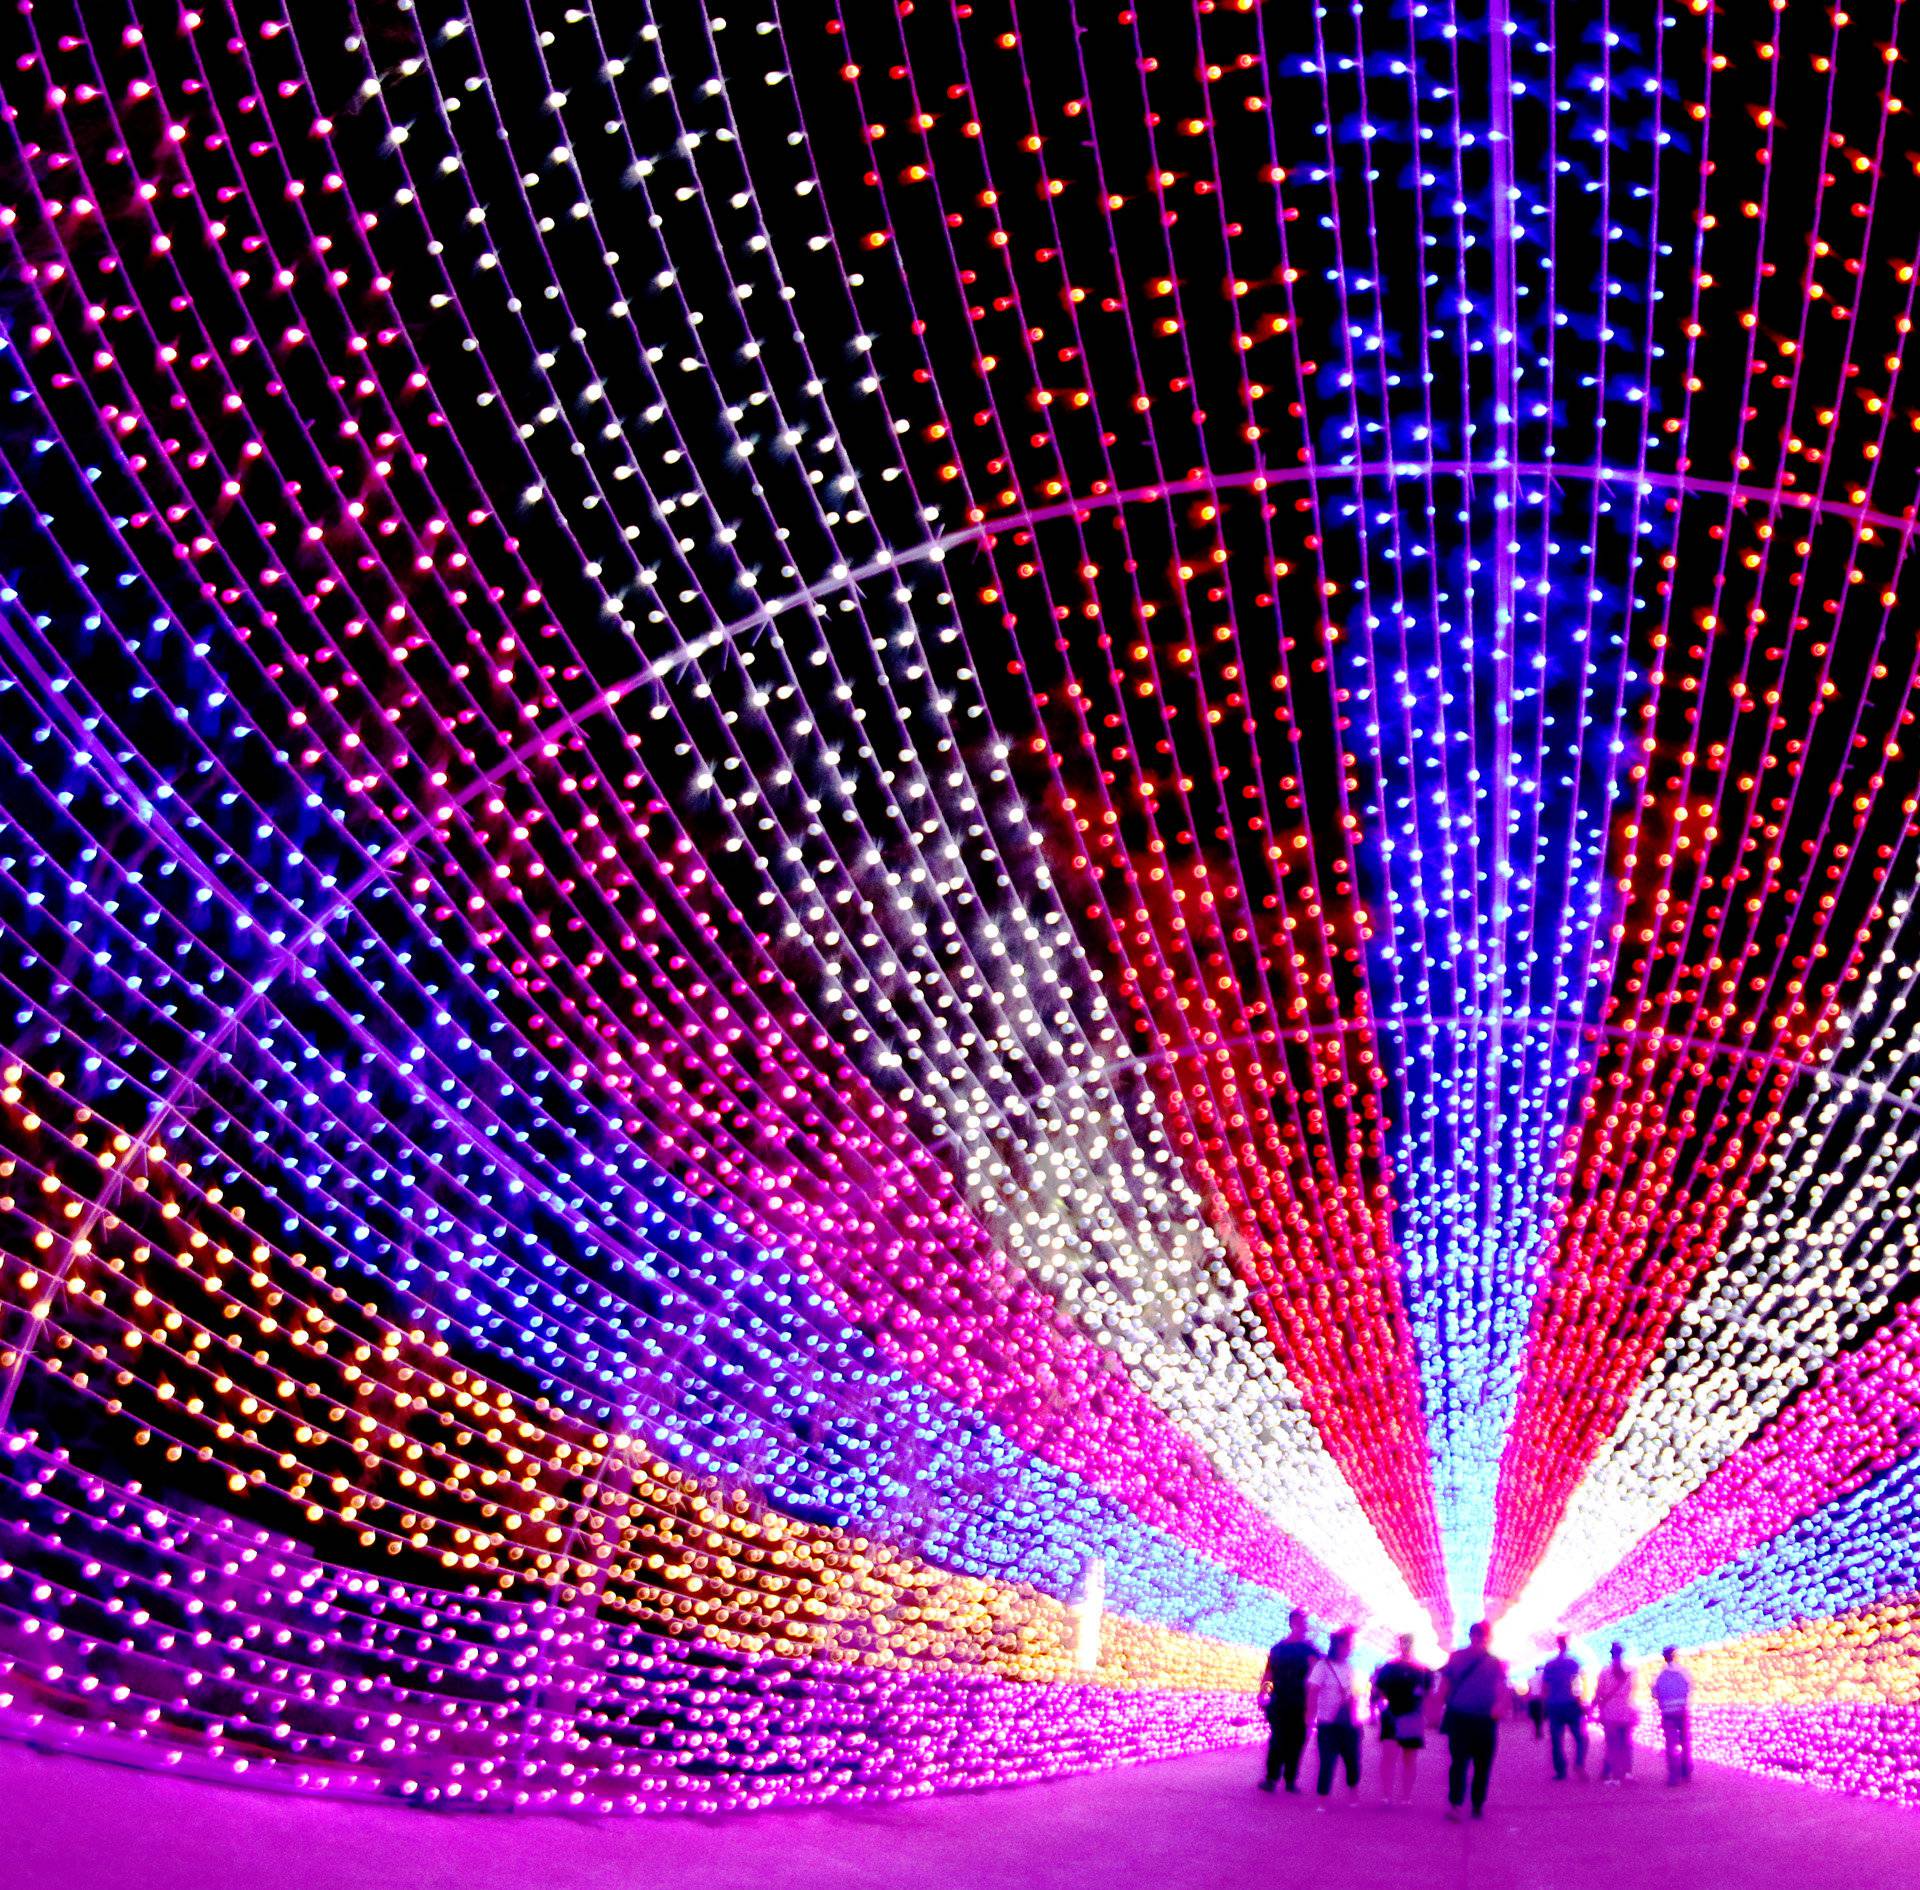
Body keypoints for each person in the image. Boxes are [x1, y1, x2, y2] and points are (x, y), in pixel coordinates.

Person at [1437, 1619, 1508, 1822]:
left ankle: (1474, 1803)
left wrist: (1499, 1707)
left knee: (1480, 1763)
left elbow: (1502, 1689)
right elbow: (1445, 1684)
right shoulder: (1457, 1657)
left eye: (1482, 1636)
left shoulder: (1495, 1663)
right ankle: (1458, 1804)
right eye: (1477, 1635)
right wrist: (1436, 1708)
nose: (1479, 1640)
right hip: (1463, 1717)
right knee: (1462, 1762)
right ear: (1472, 1636)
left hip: (1483, 1718)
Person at [1257, 1608, 1320, 1793]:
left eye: (1305, 1623)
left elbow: (1316, 1677)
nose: (1304, 1626)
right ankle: (1273, 1778)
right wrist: (1264, 1693)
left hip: (1301, 1701)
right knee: (1279, 1739)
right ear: (1292, 1623)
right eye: (1301, 1622)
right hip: (1282, 1700)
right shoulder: (1281, 1649)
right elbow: (1269, 1674)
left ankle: (1289, 1779)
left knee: (1296, 1741)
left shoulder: (1309, 1650)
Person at [1369, 1633, 1433, 1805]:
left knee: (1408, 1757)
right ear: (1400, 1644)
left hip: (1409, 1715)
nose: (1406, 1645)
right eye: (1404, 1642)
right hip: (1396, 1714)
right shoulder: (1393, 1667)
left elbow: (1427, 1693)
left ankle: (1404, 1796)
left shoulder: (1421, 1670)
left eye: (1408, 1642)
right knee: (1391, 1755)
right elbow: (1378, 1688)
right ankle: (1388, 1794)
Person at [1305, 1625, 1363, 1806]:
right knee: (1327, 1761)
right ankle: (1323, 1798)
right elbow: (1313, 1692)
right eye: (1347, 1645)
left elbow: (1353, 1693)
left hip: (1348, 1722)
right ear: (1337, 1645)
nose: (1349, 1649)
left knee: (1352, 1760)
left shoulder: (1349, 1667)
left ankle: (1353, 1792)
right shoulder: (1323, 1666)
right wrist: (1309, 1717)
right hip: (1327, 1721)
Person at [1539, 1634, 1589, 1781]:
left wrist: (1544, 1706)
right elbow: (1577, 1684)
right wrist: (1580, 1702)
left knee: (1556, 1740)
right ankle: (1579, 1763)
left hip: (1554, 1705)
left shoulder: (1549, 1665)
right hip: (1571, 1704)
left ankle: (1560, 1771)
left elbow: (1545, 1687)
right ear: (1567, 1645)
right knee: (1581, 1737)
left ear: (1557, 1645)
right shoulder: (1574, 1663)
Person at [1593, 1643, 1638, 1783]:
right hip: (1626, 1710)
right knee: (1626, 1743)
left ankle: (1612, 1773)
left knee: (1612, 1743)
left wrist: (1592, 1707)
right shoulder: (1631, 1670)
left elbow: (1599, 1693)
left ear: (1611, 1654)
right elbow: (1633, 1690)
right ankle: (1627, 1772)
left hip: (1610, 1711)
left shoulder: (1605, 1671)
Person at [1651, 1646, 1692, 1786]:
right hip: (1682, 1711)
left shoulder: (1660, 1675)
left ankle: (1673, 1775)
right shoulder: (1684, 1672)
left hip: (1667, 1713)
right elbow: (1689, 1688)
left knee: (1671, 1744)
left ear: (1664, 1657)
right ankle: (1686, 1770)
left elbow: (1654, 1694)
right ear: (1675, 1656)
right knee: (1685, 1741)